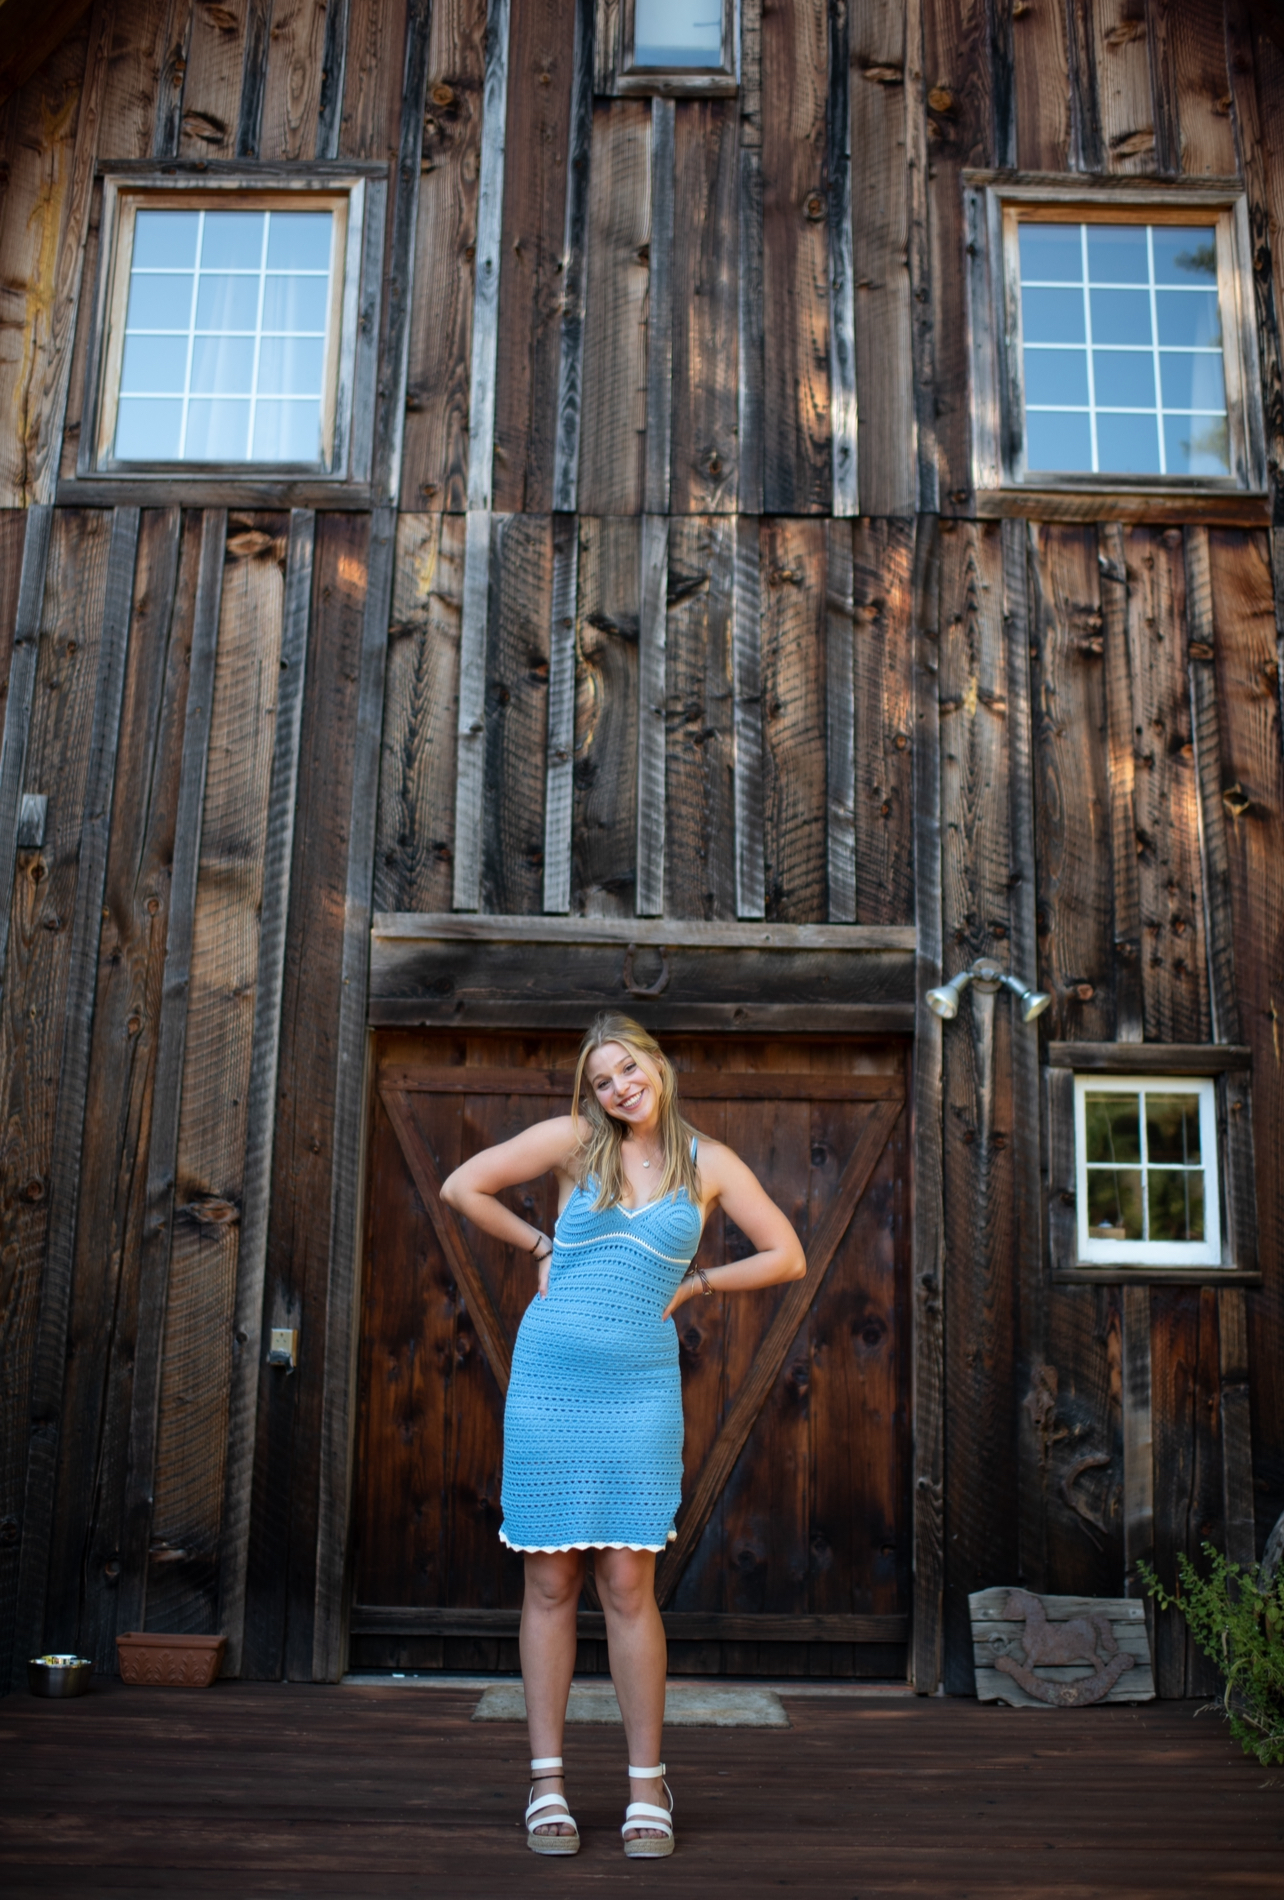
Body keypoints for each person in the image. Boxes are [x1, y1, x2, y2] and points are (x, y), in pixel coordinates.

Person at [441, 1013, 806, 1859]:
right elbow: (464, 1186)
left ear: (657, 1065)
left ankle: (648, 1784)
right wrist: (540, 1243)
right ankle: (547, 1782)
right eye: (602, 1080)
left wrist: (699, 1284)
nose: (619, 1089)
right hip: (549, 1381)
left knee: (628, 1583)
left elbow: (786, 1255)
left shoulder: (710, 1163)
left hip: (639, 1391)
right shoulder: (577, 1141)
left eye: (629, 1069)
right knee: (548, 1583)